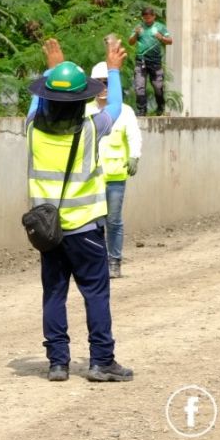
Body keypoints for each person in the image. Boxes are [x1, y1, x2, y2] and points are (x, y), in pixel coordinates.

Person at [28, 35, 134, 382]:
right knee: (96, 294)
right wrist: (113, 69)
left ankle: (58, 362)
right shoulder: (90, 129)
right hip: (85, 228)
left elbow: (37, 101)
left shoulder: (32, 129)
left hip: (50, 230)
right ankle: (101, 360)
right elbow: (115, 109)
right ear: (80, 101)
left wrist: (53, 68)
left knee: (54, 294)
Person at [90, 61, 143, 279]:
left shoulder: (125, 111)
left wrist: (134, 156)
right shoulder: (87, 110)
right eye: (99, 82)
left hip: (115, 175)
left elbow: (134, 135)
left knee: (113, 220)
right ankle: (97, 262)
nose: (103, 87)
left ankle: (114, 261)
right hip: (91, 177)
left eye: (107, 82)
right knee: (94, 223)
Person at [129, 6, 172, 115]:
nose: (147, 20)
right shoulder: (138, 27)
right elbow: (131, 42)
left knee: (158, 87)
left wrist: (161, 38)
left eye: (149, 18)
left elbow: (170, 41)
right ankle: (142, 109)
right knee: (139, 87)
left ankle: (160, 105)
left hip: (155, 62)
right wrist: (136, 34)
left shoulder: (160, 27)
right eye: (145, 18)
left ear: (154, 16)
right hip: (141, 61)